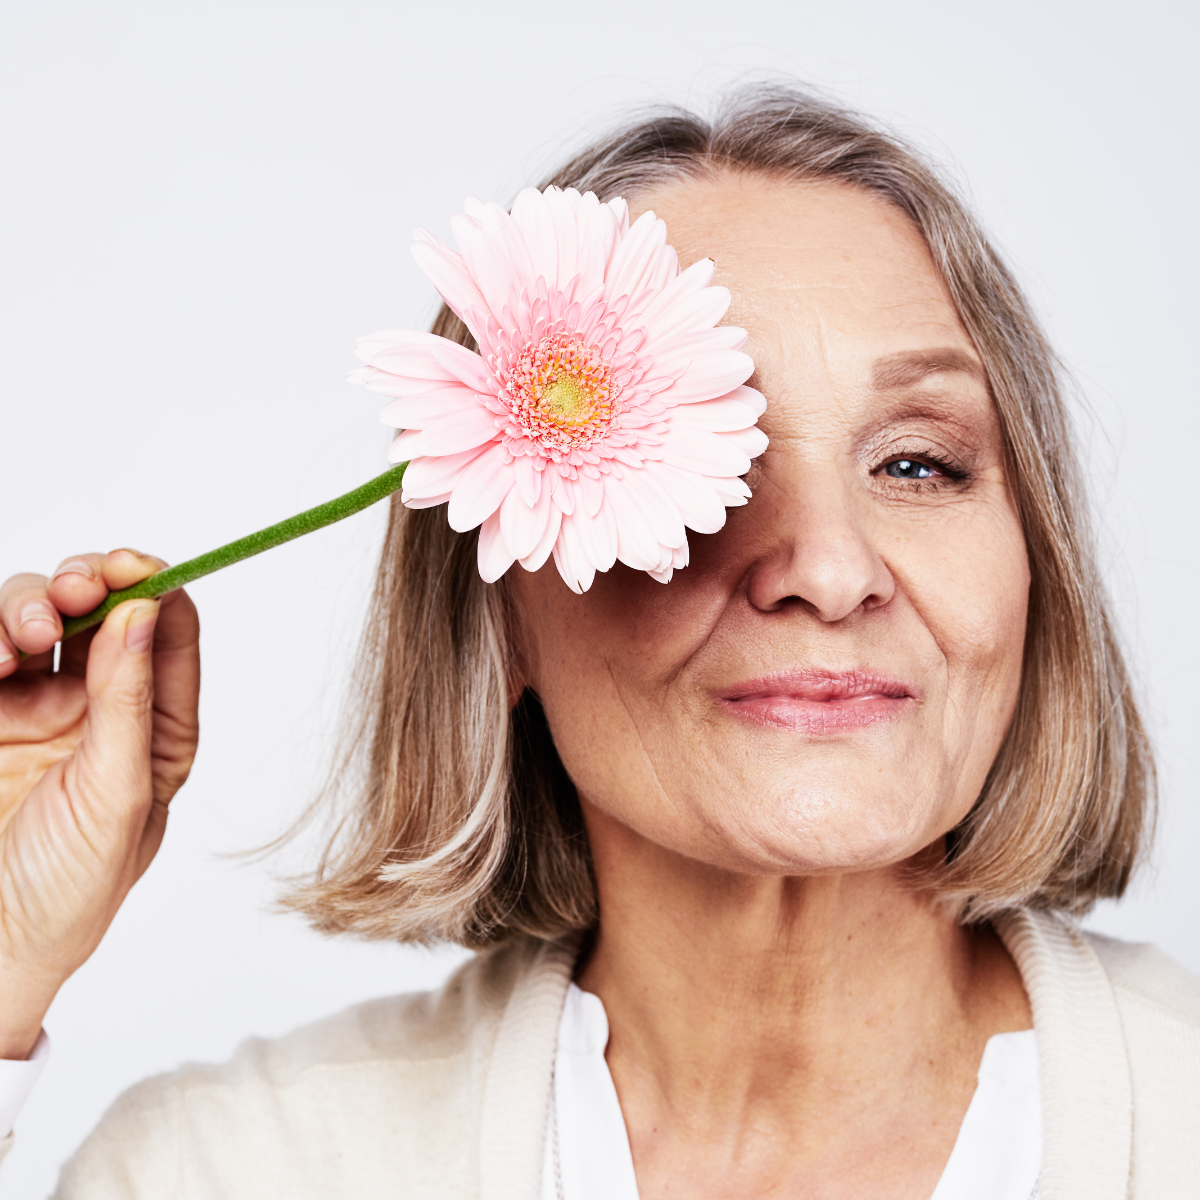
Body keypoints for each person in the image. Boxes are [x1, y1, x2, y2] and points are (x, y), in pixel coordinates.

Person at [0, 86, 1196, 1200]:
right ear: (501, 615)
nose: (830, 570)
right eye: (713, 477)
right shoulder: (222, 1173)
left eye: (918, 464)